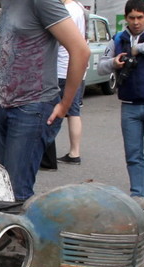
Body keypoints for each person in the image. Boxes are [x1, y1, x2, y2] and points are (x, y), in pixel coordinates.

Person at [0, 0, 89, 202]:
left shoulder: (41, 1)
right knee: (3, 189)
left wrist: (64, 105)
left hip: (33, 107)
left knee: (16, 194)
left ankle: (23, 233)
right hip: (7, 104)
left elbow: (81, 51)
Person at [98, 0, 144, 214]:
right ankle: (138, 196)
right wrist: (114, 62)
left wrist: (139, 48)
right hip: (130, 105)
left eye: (140, 17)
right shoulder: (118, 39)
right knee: (133, 154)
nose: (136, 22)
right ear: (126, 18)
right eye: (131, 18)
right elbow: (101, 66)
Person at [54, 0, 88, 165]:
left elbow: (61, 38)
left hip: (63, 67)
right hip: (75, 68)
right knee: (73, 111)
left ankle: (72, 152)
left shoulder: (67, 10)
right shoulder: (79, 8)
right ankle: (75, 151)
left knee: (57, 110)